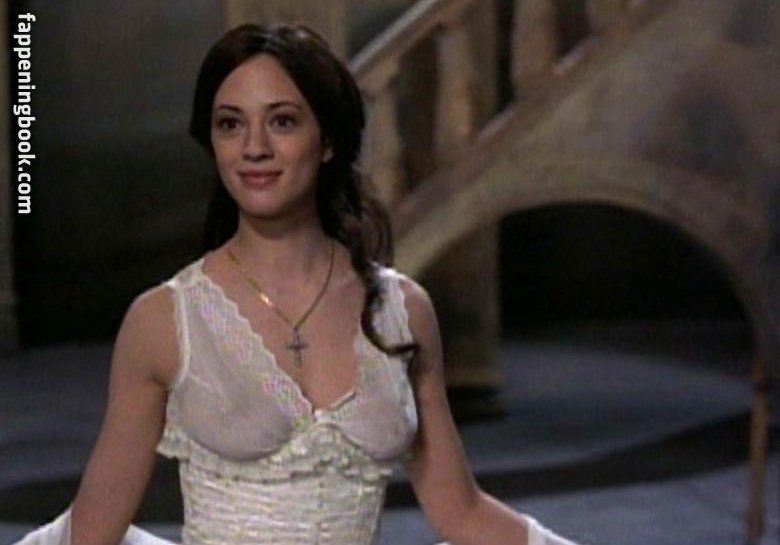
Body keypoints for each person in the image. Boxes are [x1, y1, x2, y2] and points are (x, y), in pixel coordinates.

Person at [15, 23, 583, 545]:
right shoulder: (163, 321)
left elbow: (461, 511)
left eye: (282, 121)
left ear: (328, 139)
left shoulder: (402, 311)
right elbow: (93, 531)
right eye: (230, 124)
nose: (253, 148)